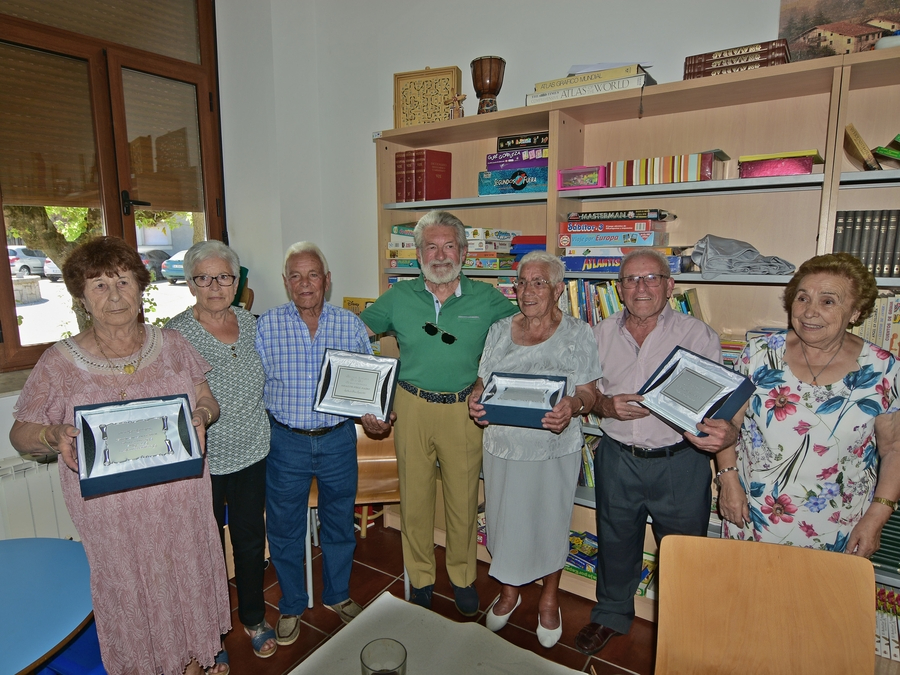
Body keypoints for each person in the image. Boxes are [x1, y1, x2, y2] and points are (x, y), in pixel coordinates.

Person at [9, 236, 231, 675]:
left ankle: (194, 659)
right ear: (81, 296)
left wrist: (202, 415)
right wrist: (53, 435)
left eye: (124, 281)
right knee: (132, 592)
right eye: (99, 285)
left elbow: (207, 398)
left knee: (186, 578)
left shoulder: (171, 344)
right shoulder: (59, 363)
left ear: (141, 287)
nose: (115, 295)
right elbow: (20, 434)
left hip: (181, 505)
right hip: (114, 521)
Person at [575, 249, 739, 656]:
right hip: (617, 458)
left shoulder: (699, 335)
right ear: (619, 288)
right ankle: (610, 615)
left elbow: (716, 408)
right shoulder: (597, 333)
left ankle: (685, 628)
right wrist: (604, 405)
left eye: (651, 278)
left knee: (686, 551)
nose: (641, 287)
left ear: (670, 285)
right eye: (631, 279)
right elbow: (587, 393)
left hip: (679, 462)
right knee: (614, 543)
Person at [360, 210, 518, 615]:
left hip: (464, 410)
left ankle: (463, 578)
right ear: (418, 254)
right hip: (410, 406)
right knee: (414, 498)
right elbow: (353, 334)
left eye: (449, 245)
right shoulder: (398, 297)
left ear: (464, 252)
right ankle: (421, 578)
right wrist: (364, 395)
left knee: (463, 501)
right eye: (431, 246)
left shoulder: (487, 298)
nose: (441, 254)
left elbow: (521, 340)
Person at [717, 252, 900, 556]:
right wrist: (727, 479)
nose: (809, 312)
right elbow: (727, 423)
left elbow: (893, 449)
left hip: (840, 524)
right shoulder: (760, 353)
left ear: (855, 311)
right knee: (748, 600)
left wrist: (877, 517)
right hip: (753, 514)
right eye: (802, 299)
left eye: (828, 301)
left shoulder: (882, 369)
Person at [468, 251, 600, 648]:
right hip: (503, 447)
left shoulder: (579, 333)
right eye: (522, 282)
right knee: (504, 522)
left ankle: (548, 598)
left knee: (550, 522)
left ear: (559, 289)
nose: (527, 291)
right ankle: (509, 593)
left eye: (539, 282)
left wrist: (573, 407)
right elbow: (481, 383)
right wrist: (475, 400)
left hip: (553, 448)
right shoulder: (498, 330)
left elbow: (590, 395)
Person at [255, 242, 371, 646]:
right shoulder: (266, 326)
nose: (305, 284)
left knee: (340, 523)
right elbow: (255, 387)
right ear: (286, 283)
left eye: (313, 275)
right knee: (285, 528)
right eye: (296, 276)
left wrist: (374, 413)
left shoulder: (349, 325)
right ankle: (291, 603)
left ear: (327, 280)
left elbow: (367, 384)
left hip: (338, 440)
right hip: (286, 442)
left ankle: (337, 595)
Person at [166, 241, 276, 660]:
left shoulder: (252, 323)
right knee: (204, 549)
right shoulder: (173, 334)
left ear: (237, 281)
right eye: (204, 278)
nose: (215, 286)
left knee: (250, 542)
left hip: (252, 453)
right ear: (191, 283)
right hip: (202, 462)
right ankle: (208, 635)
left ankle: (252, 617)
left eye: (224, 277)